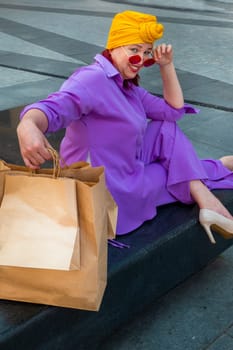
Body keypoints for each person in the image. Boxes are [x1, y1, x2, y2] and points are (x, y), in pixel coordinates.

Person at [17, 10, 233, 244]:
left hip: (128, 170)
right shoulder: (92, 80)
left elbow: (172, 111)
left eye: (146, 53)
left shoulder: (128, 88)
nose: (140, 60)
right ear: (114, 46)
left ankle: (214, 178)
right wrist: (28, 124)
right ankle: (210, 190)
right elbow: (54, 108)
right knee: (177, 172)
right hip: (108, 192)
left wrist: (166, 66)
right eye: (134, 50)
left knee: (166, 129)